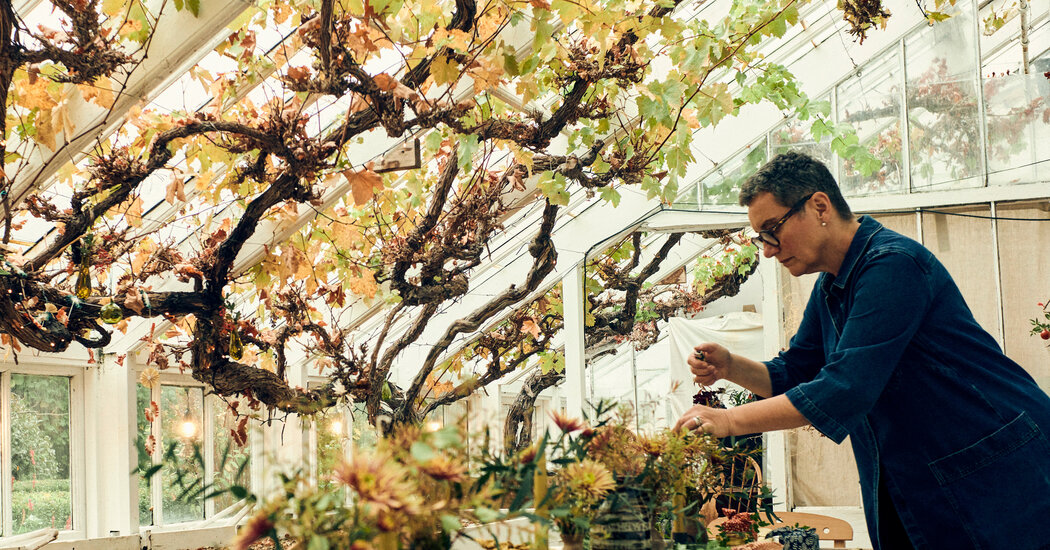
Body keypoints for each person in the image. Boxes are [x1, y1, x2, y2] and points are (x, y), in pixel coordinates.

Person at [674, 151, 1050, 550]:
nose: (767, 249)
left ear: (820, 206)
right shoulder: (831, 287)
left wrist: (728, 421)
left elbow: (845, 388)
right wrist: (731, 366)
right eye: (761, 237)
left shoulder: (893, 265)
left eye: (772, 230)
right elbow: (796, 371)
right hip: (921, 479)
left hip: (997, 472)